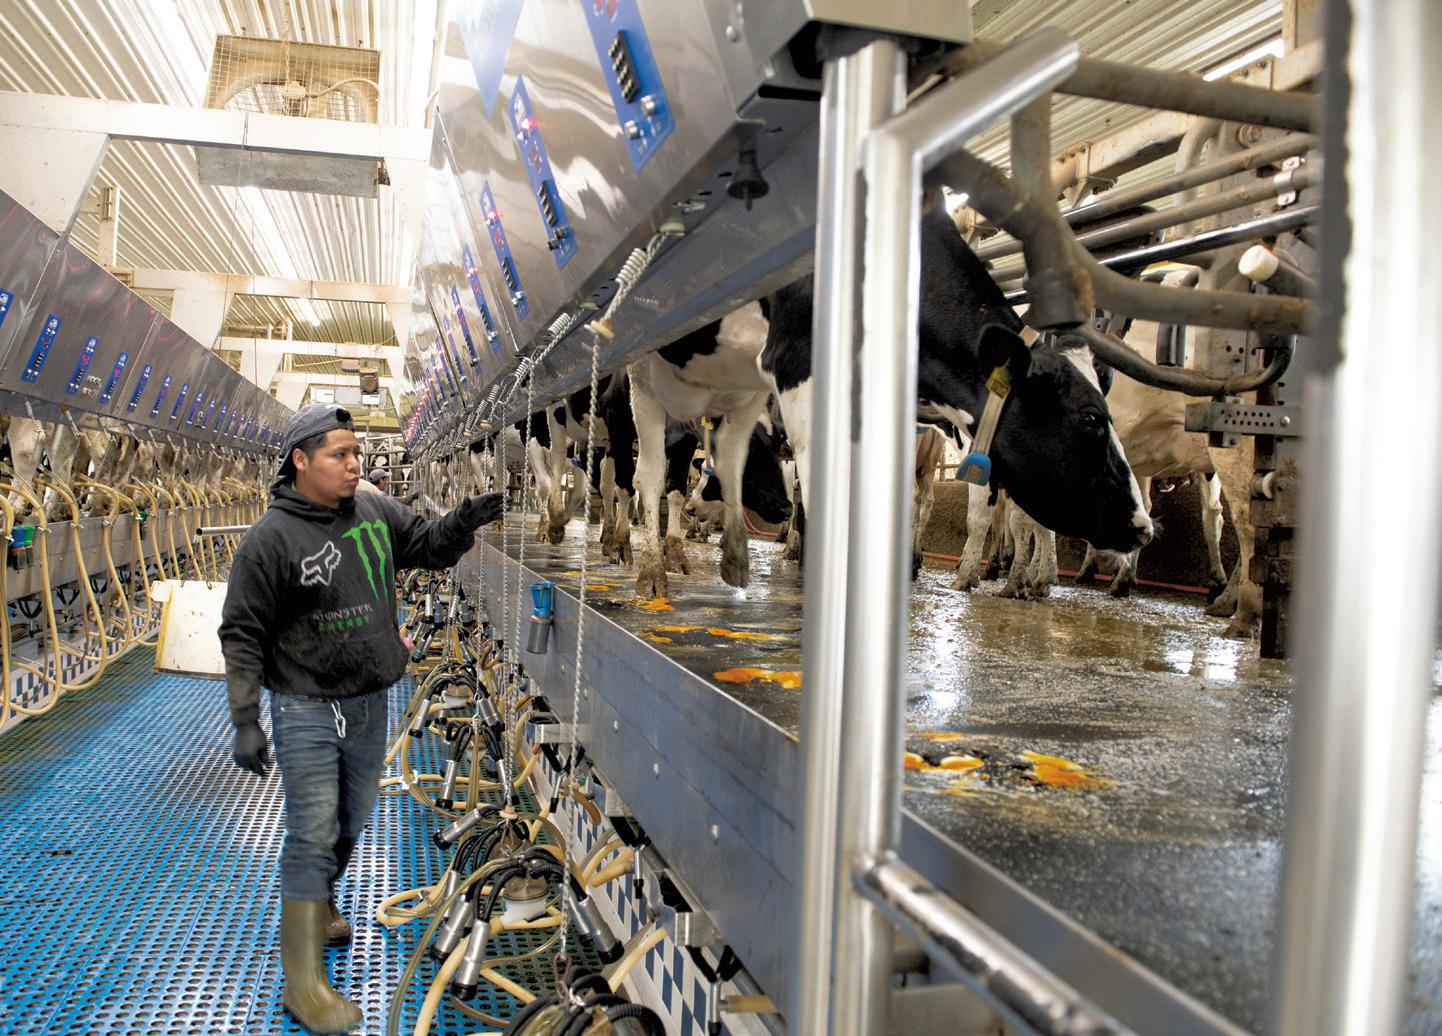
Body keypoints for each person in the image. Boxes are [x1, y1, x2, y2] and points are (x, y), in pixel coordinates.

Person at [218, 403, 502, 1034]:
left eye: (356, 454)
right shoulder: (271, 540)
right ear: (301, 461)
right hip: (306, 703)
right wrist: (245, 717)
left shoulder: (373, 510)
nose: (355, 465)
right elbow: (241, 631)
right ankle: (303, 985)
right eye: (340, 455)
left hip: (370, 699)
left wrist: (462, 521)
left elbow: (426, 546)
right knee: (313, 828)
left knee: (350, 819)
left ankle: (320, 897)